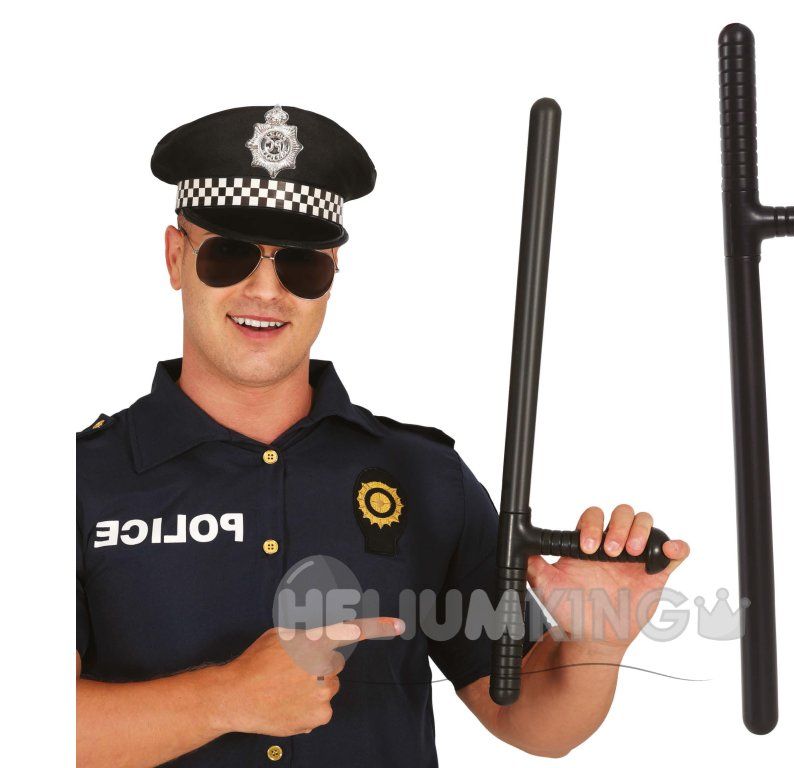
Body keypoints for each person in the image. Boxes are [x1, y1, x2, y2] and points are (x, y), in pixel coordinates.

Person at [75, 104, 690, 768]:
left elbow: (533, 723)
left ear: (332, 273)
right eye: (229, 255)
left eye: (301, 265)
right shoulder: (74, 482)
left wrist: (594, 643)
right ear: (176, 257)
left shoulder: (424, 476)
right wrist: (226, 699)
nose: (265, 290)